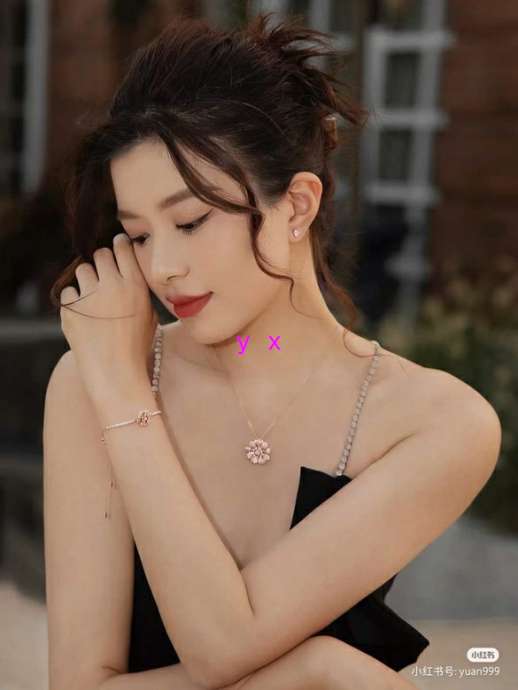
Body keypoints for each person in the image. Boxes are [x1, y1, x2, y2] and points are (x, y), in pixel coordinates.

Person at [43, 11, 502, 690]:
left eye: (191, 221)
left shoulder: (437, 423)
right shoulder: (96, 382)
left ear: (296, 206)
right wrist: (318, 669)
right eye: (138, 235)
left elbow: (223, 646)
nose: (162, 267)